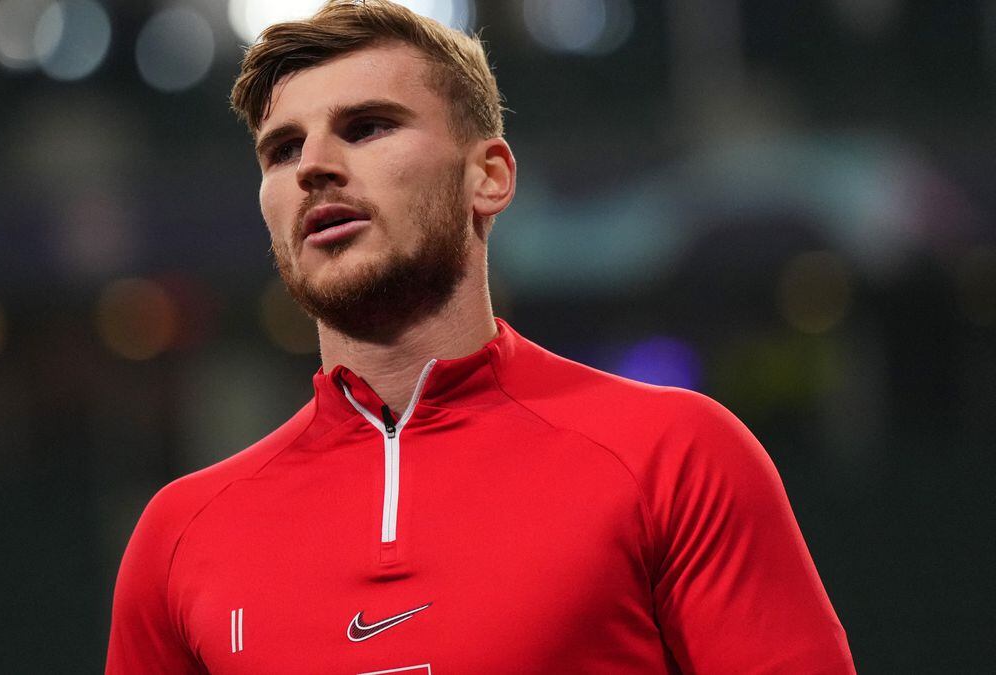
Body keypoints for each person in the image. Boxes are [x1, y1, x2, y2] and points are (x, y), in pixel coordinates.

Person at [106, 1, 855, 672]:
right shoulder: (179, 535)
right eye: (282, 150)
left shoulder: (677, 456)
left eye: (367, 127)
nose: (315, 169)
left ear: (488, 177)